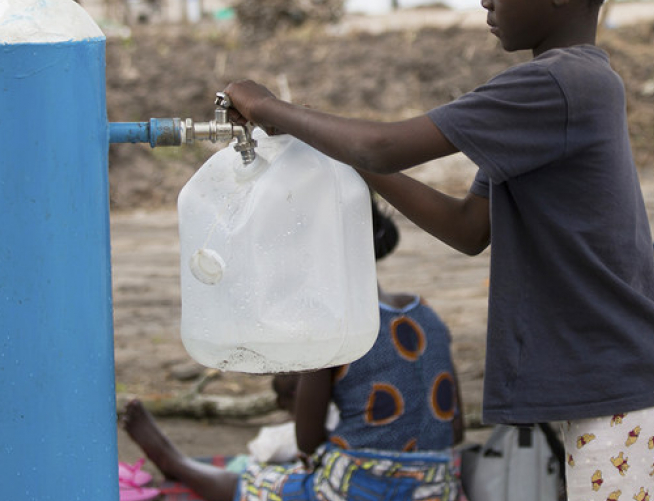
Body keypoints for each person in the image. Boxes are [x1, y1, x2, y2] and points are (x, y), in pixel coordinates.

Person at [222, 0, 654, 501]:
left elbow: (383, 144)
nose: (485, 0)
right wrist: (338, 151)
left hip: (627, 391)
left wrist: (270, 107)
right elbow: (469, 230)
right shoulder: (547, 102)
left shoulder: (557, 86)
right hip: (617, 388)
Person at [121, 201, 466, 501]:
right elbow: (456, 430)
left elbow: (308, 440)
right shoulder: (425, 313)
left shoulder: (331, 323)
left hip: (354, 487)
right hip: (437, 487)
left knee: (254, 484)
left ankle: (174, 461)